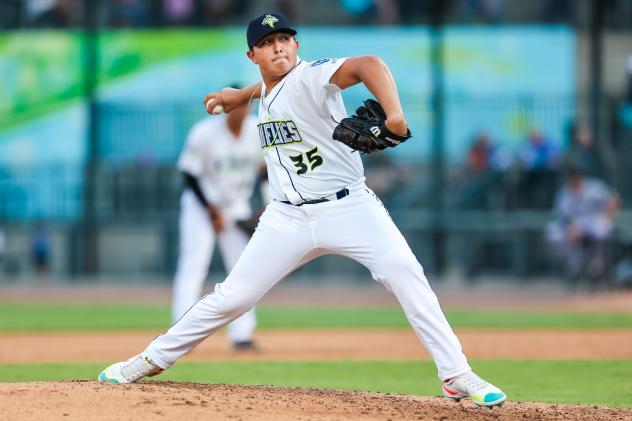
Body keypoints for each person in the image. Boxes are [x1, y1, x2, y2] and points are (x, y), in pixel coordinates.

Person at [98, 11, 507, 407]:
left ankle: (456, 375)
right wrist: (240, 94)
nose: (277, 48)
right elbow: (270, 89)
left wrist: (395, 113)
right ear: (252, 57)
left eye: (282, 40)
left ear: (296, 45)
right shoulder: (268, 90)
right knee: (232, 298)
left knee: (405, 273)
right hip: (287, 217)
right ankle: (148, 360)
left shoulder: (313, 76)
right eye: (265, 43)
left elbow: (369, 63)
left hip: (350, 208)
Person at [172, 95, 263, 350]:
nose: (243, 110)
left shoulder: (256, 130)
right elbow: (189, 175)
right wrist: (212, 212)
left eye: (246, 105)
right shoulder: (204, 132)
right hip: (201, 208)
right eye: (237, 105)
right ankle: (179, 334)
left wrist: (266, 203)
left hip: (236, 208)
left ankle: (242, 334)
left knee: (243, 269)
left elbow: (266, 171)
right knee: (194, 264)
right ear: (227, 108)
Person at [546, 165, 621, 285]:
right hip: (575, 224)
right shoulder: (564, 192)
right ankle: (575, 263)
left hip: (595, 220)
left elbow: (615, 199)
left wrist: (608, 214)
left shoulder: (594, 186)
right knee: (552, 232)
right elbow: (562, 216)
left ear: (580, 177)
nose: (573, 181)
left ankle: (597, 263)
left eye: (575, 178)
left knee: (600, 227)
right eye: (570, 179)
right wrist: (571, 227)